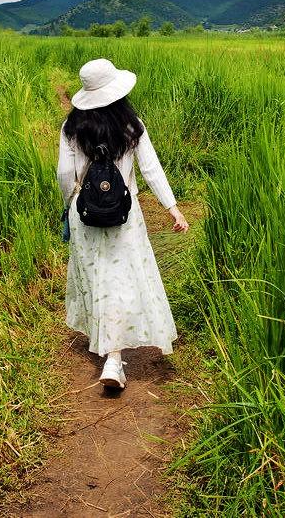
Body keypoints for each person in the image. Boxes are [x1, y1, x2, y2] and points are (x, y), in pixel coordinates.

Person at [57, 57, 189, 390]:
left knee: (97, 276)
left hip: (85, 213)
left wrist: (71, 204)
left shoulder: (71, 127)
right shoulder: (132, 125)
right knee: (120, 277)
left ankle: (110, 354)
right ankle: (114, 359)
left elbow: (64, 174)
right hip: (123, 214)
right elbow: (151, 169)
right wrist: (172, 207)